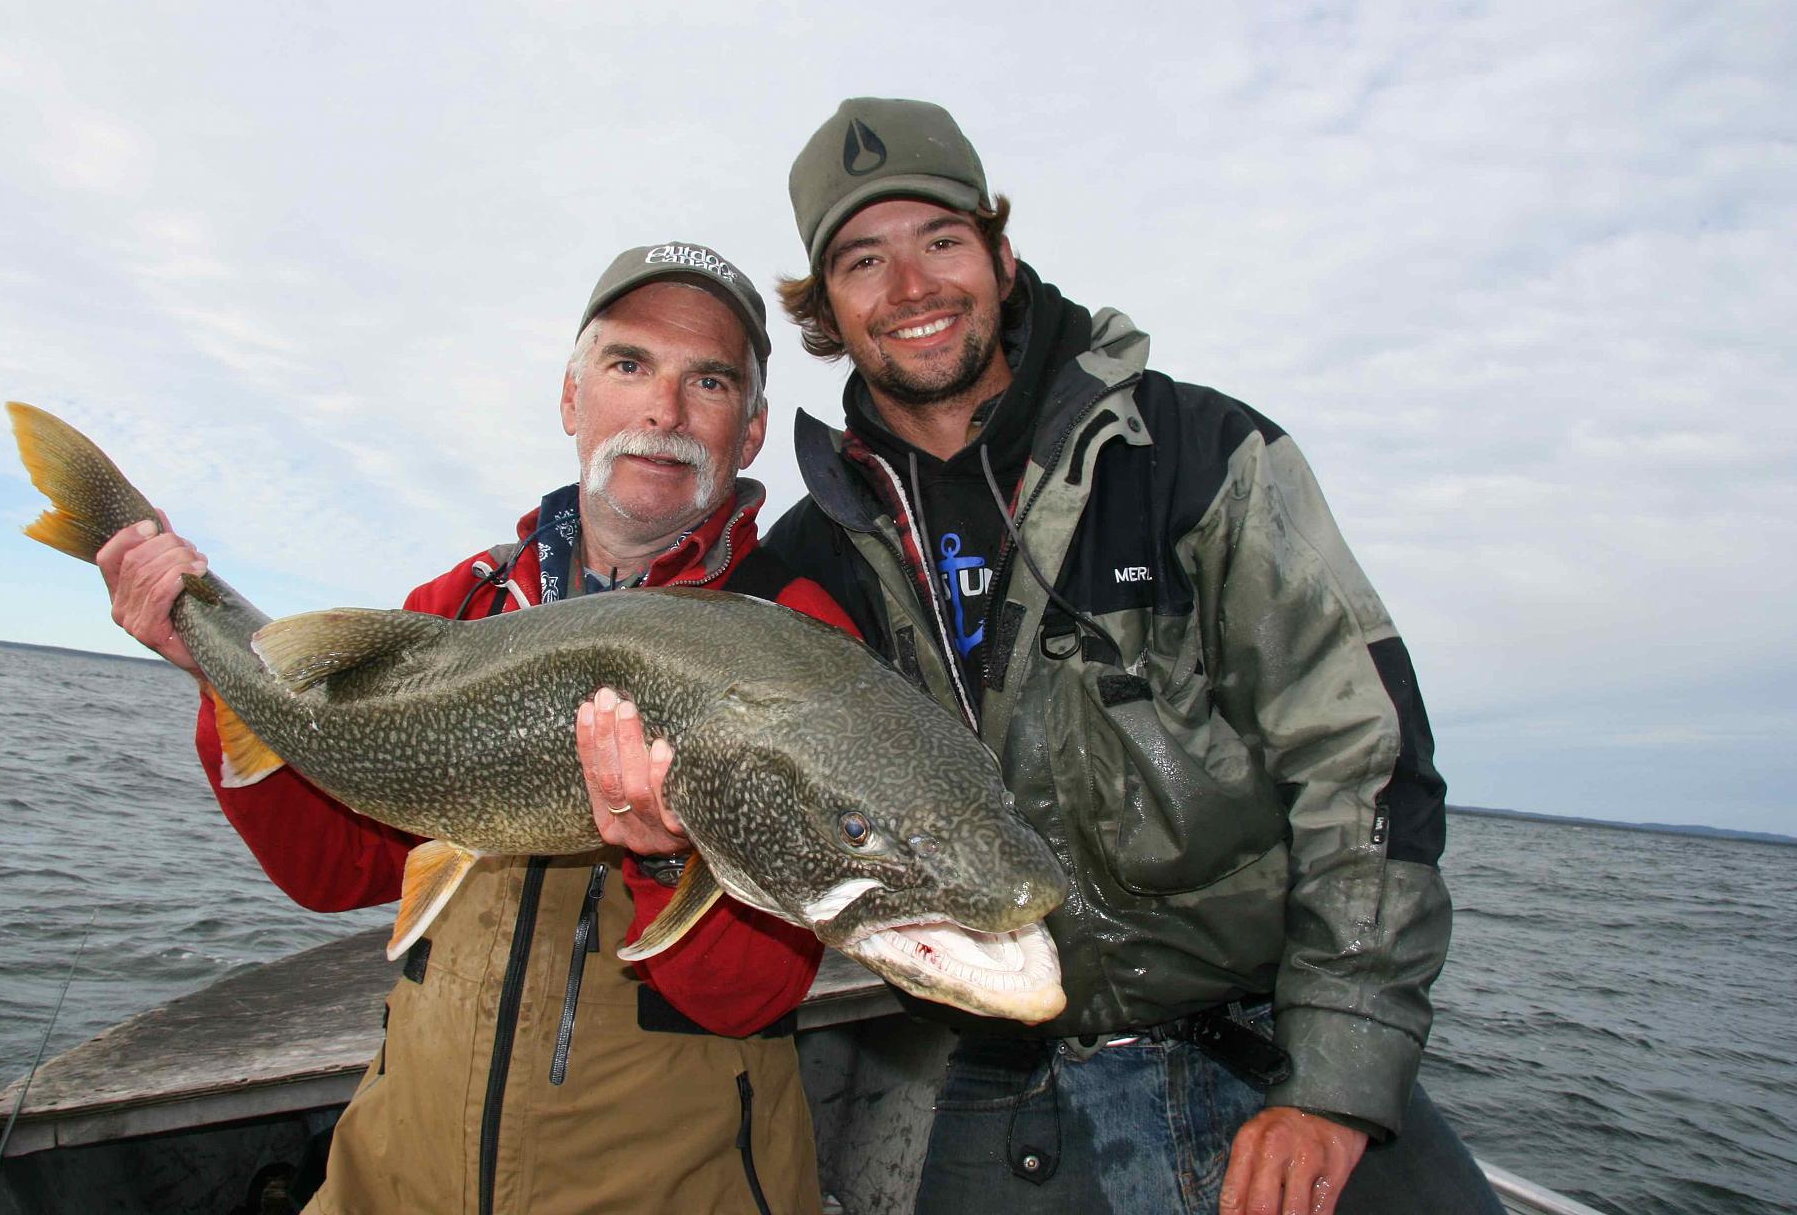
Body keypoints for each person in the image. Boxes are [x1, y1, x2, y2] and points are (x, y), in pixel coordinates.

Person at [759, 99, 1504, 1215]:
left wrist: (1338, 1082)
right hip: (1011, 1084)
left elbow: (1362, 757)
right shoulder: (805, 564)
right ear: (828, 308)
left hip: (1268, 1055)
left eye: (943, 242)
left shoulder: (1199, 453)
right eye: (865, 259)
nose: (911, 287)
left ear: (1002, 258)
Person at [96, 241, 854, 1215]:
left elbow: (754, 995)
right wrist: (220, 672)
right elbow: (336, 868)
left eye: (707, 378)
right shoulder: (459, 603)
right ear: (572, 399)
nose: (663, 410)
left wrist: (669, 855)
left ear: (749, 431)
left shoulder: (793, 641)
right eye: (629, 365)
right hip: (392, 1179)